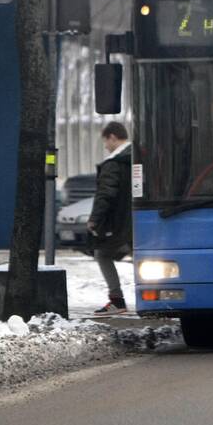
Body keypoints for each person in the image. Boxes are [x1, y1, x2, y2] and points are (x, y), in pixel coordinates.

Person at [87, 121, 133, 316]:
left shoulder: (115, 163)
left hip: (121, 222)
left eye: (105, 142)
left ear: (112, 137)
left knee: (102, 254)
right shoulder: (139, 156)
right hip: (139, 219)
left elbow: (106, 194)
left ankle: (117, 300)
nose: (106, 146)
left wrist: (94, 219)